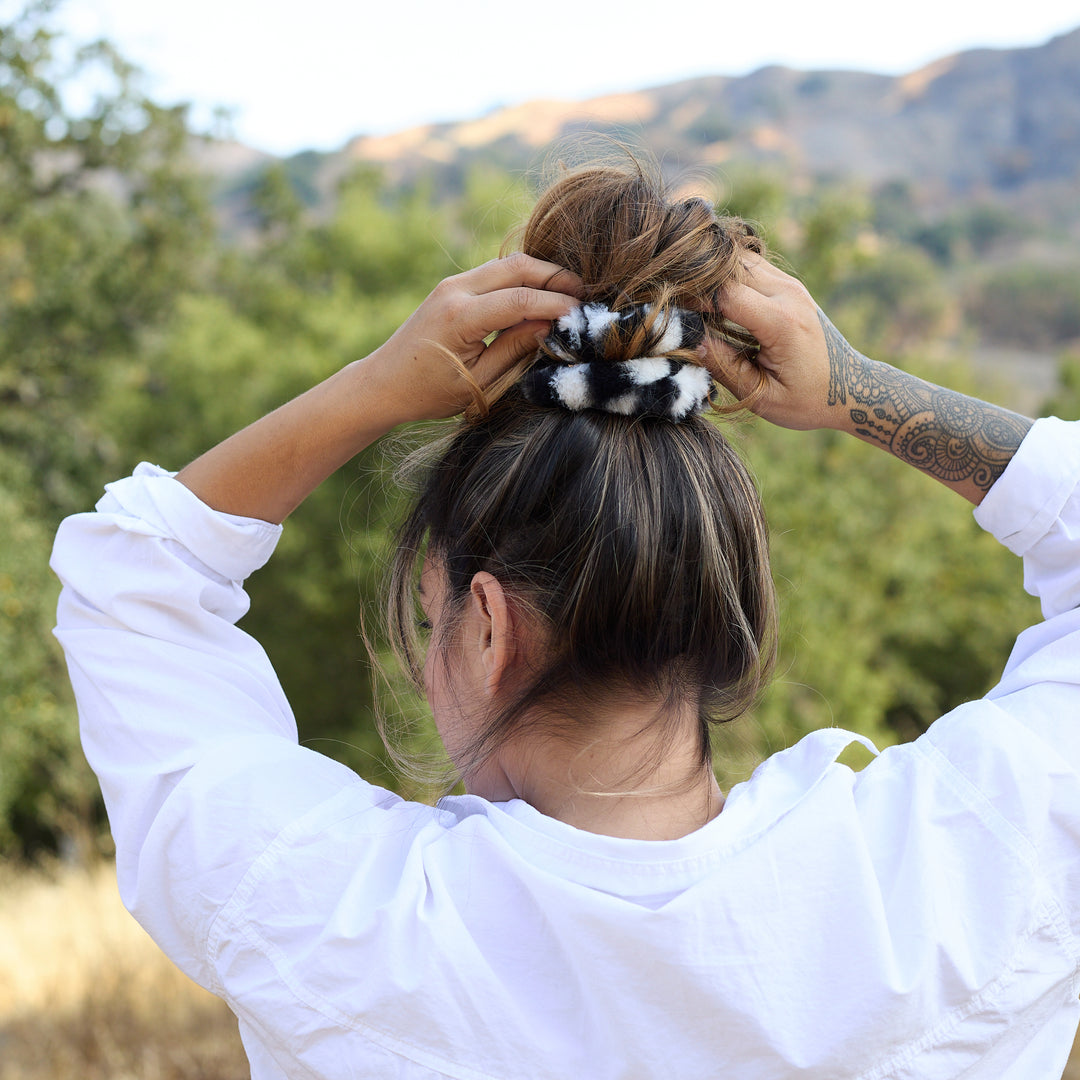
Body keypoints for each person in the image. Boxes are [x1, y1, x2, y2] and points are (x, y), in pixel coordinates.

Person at [51, 159, 1080, 1079]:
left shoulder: (333, 922)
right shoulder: (960, 873)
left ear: (489, 626)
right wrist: (856, 390)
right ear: (720, 596)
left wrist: (373, 389)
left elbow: (132, 575)